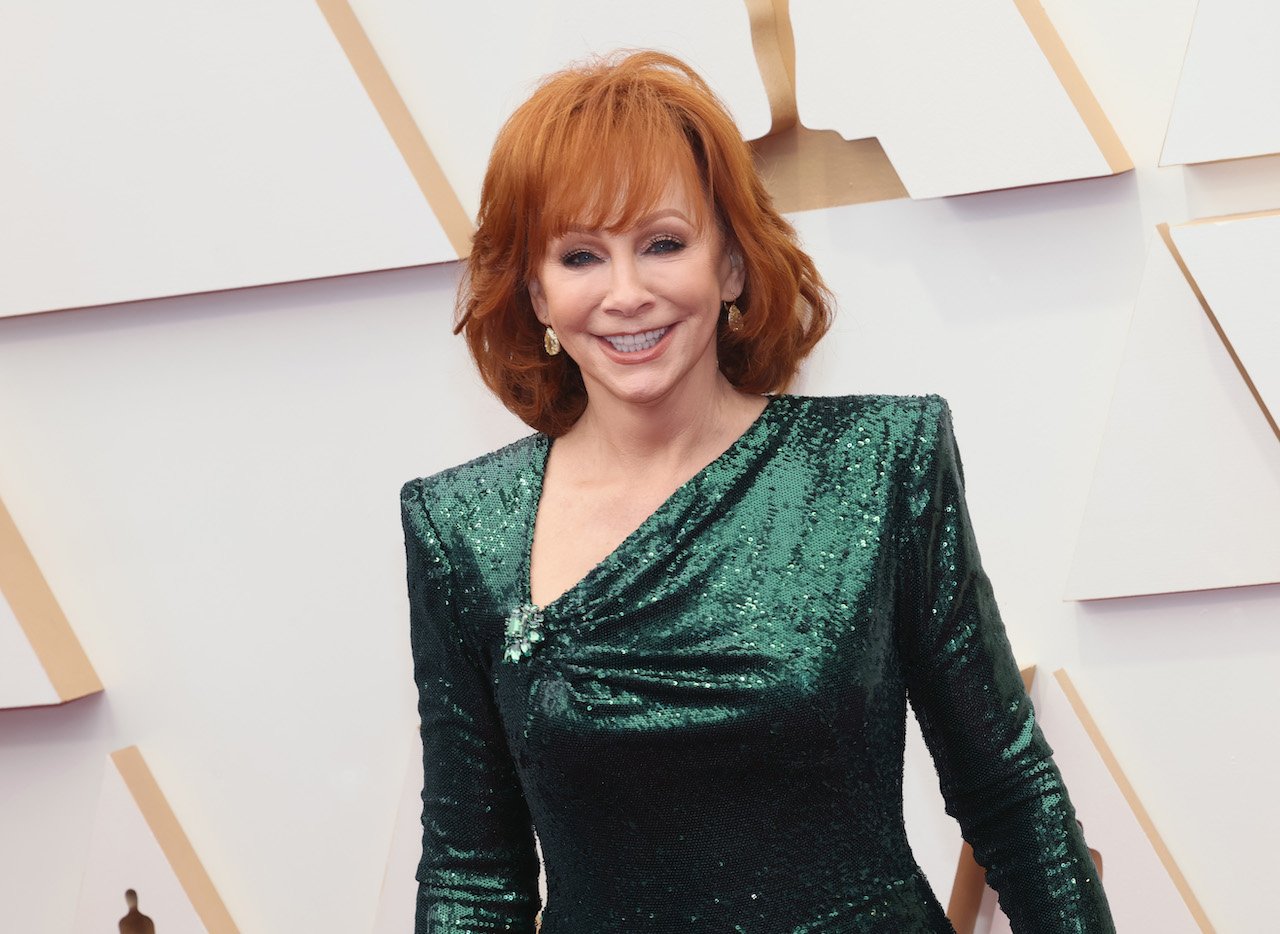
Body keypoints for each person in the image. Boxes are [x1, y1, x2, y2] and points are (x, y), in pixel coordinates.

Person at [399, 50, 1114, 933]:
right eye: (581, 255)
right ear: (537, 294)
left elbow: (1009, 791)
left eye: (663, 244)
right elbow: (475, 877)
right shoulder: (461, 527)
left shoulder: (884, 463)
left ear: (732, 265)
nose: (627, 294)